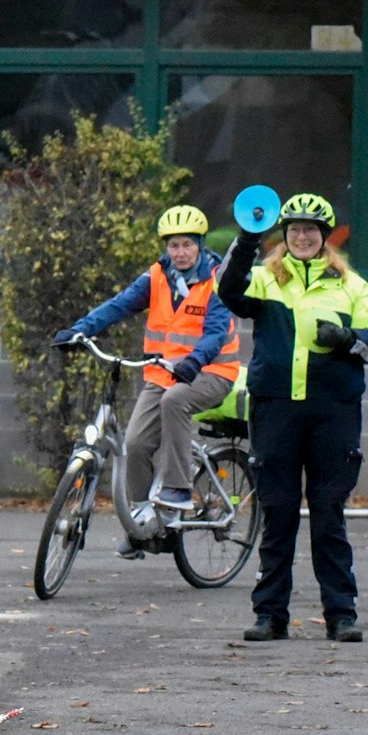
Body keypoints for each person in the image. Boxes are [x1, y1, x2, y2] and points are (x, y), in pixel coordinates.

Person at [215, 192, 368, 644]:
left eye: (310, 231)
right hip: (276, 409)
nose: (302, 236)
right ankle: (270, 615)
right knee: (278, 512)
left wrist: (347, 337)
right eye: (294, 230)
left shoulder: (350, 285)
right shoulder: (266, 279)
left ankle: (341, 615)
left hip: (332, 412)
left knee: (329, 513)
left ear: (323, 238)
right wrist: (246, 240)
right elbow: (228, 291)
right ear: (286, 236)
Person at [52, 204, 242, 557]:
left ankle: (177, 489)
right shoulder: (157, 276)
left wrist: (195, 361)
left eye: (187, 244)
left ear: (200, 245)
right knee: (135, 443)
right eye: (174, 245)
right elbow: (118, 305)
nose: (180, 252)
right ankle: (142, 522)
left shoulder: (216, 280)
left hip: (212, 373)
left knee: (175, 402)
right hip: (163, 375)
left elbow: (216, 332)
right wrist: (79, 330)